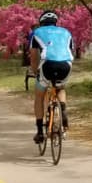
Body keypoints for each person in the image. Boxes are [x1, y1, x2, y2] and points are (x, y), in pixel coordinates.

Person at [27, 10, 73, 146]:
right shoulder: (66, 32)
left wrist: (36, 72)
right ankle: (63, 109)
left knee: (39, 95)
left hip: (47, 65)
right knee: (60, 88)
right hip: (66, 65)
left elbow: (34, 57)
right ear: (56, 22)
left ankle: (40, 131)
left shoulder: (36, 33)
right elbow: (69, 52)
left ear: (41, 22)